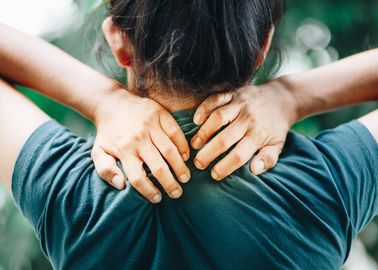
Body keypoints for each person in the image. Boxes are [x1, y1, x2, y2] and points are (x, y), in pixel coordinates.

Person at [0, 0, 377, 269]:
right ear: (263, 46)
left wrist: (101, 99)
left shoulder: (73, 193)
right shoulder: (323, 186)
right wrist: (293, 95)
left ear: (118, 41)